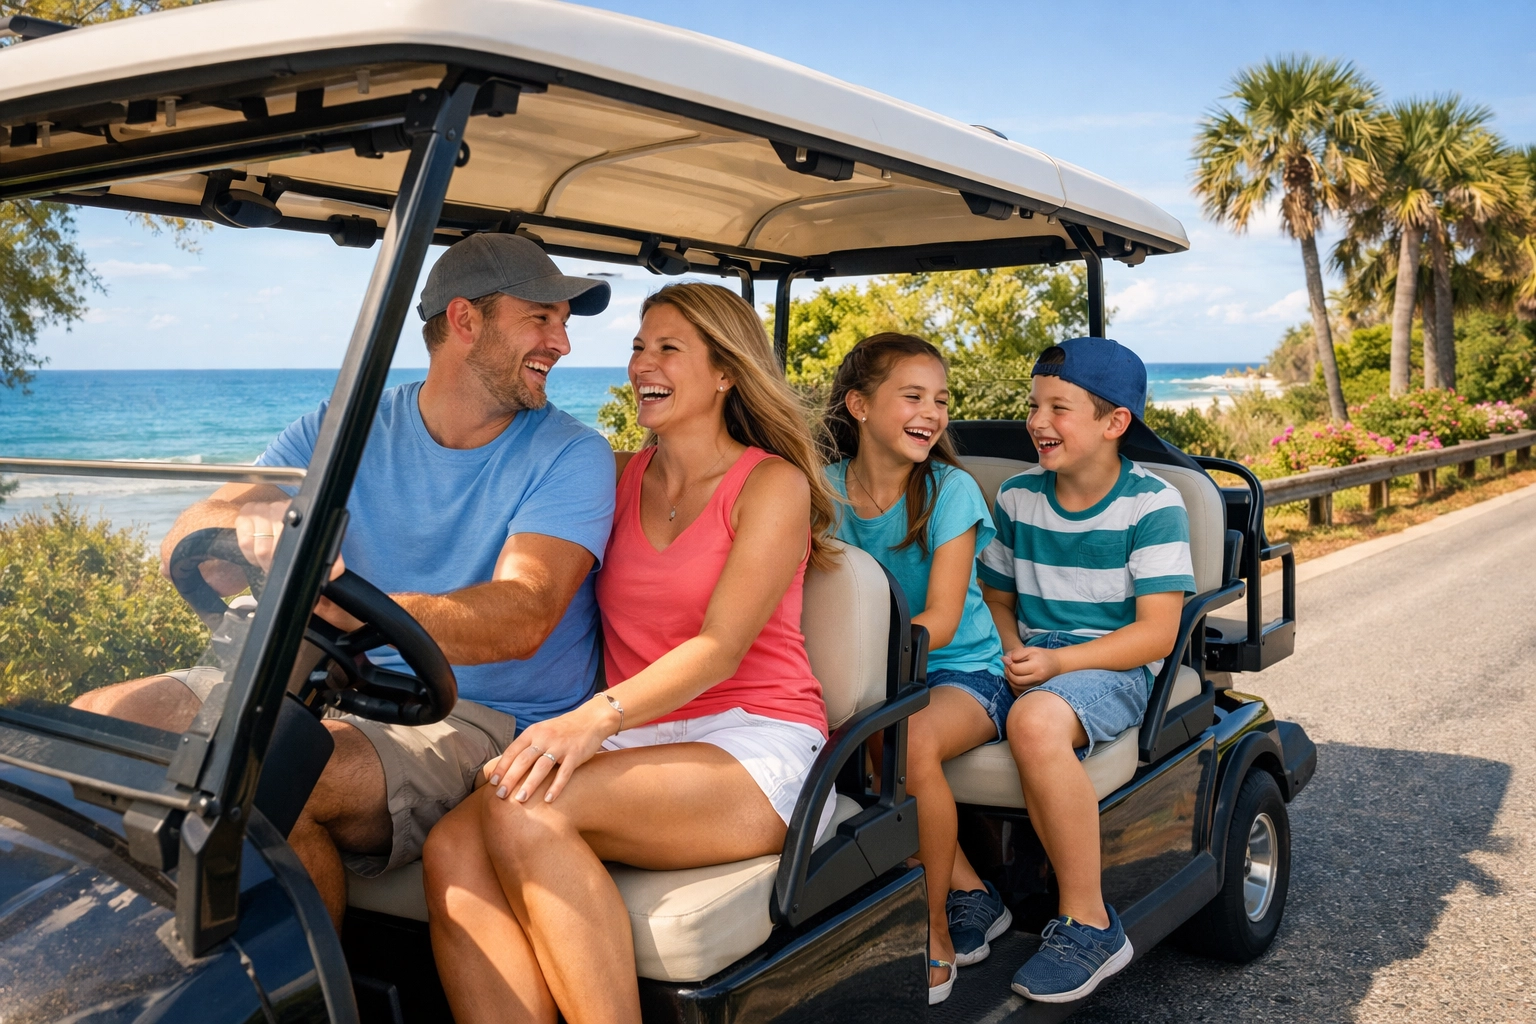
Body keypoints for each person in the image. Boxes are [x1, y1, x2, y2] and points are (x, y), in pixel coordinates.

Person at [72, 233, 616, 930]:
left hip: (476, 717)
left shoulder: (570, 454)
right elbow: (188, 533)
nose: (562, 343)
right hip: (323, 689)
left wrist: (358, 611)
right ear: (464, 321)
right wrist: (250, 515)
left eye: (564, 322)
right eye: (541, 318)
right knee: (100, 721)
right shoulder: (347, 425)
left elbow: (523, 612)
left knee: (270, 776)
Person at [422, 282, 839, 1024]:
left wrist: (591, 719)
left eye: (668, 348)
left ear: (725, 372)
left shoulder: (771, 485)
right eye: (639, 346)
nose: (642, 362)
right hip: (642, 736)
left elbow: (718, 648)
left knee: (519, 813)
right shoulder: (615, 477)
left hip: (754, 737)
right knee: (451, 845)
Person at [977, 337, 1195, 1004]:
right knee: (909, 711)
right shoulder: (1018, 497)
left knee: (1036, 719)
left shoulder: (1152, 505)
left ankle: (1090, 922)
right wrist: (1015, 648)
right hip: (1033, 655)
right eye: (1034, 404)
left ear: (1114, 422)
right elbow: (997, 597)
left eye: (1058, 408)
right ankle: (963, 898)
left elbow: (1156, 633)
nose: (1037, 421)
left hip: (1115, 662)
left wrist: (1057, 664)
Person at [820, 333, 1011, 1005]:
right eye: (913, 396)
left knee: (908, 737)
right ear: (859, 405)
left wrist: (865, 666)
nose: (932, 412)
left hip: (961, 674)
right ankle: (968, 888)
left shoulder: (948, 489)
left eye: (941, 399)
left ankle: (932, 928)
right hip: (875, 676)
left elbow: (945, 618)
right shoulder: (826, 492)